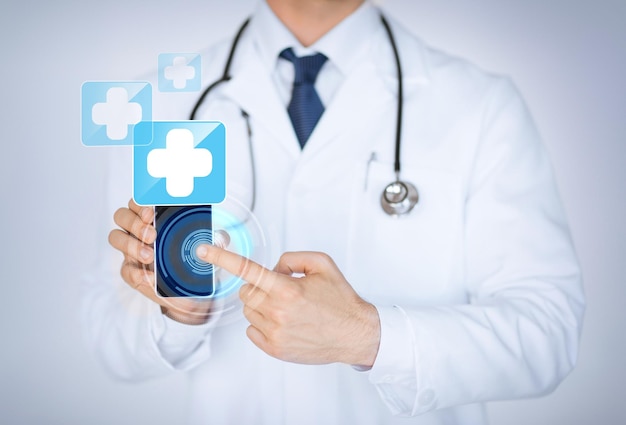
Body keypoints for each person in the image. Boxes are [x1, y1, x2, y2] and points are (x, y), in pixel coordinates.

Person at [82, 0, 585, 424]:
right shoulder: (164, 105)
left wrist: (365, 336)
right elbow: (108, 337)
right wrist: (179, 309)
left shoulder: (479, 105)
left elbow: (548, 333)